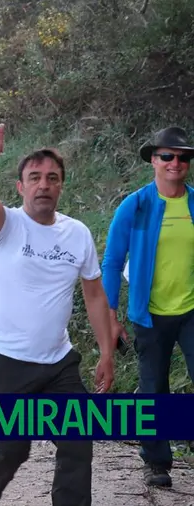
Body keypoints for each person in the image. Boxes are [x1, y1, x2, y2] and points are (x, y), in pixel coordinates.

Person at [0, 118, 115, 506]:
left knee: (79, 437)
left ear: (61, 185)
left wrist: (106, 352)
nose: (43, 185)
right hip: (9, 361)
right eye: (34, 177)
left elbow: (95, 295)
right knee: (9, 452)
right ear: (21, 187)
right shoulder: (6, 225)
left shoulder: (77, 233)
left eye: (52, 178)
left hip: (58, 362)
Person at [101, 126, 194, 489]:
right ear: (154, 160)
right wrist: (110, 316)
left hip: (190, 311)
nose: (176, 163)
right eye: (168, 156)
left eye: (183, 157)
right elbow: (111, 261)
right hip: (149, 314)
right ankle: (157, 461)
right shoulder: (136, 205)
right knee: (154, 387)